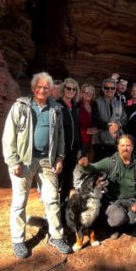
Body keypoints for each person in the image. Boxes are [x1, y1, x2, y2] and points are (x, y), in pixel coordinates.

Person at [2, 72, 72, 258]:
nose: (42, 90)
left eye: (46, 87)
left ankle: (56, 236)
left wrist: (60, 157)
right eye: (39, 87)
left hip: (47, 161)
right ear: (33, 88)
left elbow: (60, 137)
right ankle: (18, 240)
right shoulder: (20, 106)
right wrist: (13, 161)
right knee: (19, 202)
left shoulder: (55, 109)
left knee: (52, 200)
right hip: (24, 161)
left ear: (50, 90)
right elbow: (8, 136)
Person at [78, 134, 136, 238]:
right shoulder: (111, 162)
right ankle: (114, 227)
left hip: (132, 199)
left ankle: (131, 223)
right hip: (114, 201)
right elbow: (93, 168)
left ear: (132, 147)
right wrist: (85, 165)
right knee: (118, 217)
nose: (125, 148)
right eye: (122, 145)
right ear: (118, 147)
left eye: (128, 145)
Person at [57, 77, 82, 206]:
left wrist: (79, 149)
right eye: (68, 88)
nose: (71, 91)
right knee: (56, 179)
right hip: (60, 150)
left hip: (73, 149)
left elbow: (77, 130)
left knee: (68, 177)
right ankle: (52, 208)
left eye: (74, 89)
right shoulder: (57, 106)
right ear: (63, 89)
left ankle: (64, 204)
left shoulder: (74, 108)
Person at [92, 78, 126, 161]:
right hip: (100, 142)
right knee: (100, 169)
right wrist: (109, 127)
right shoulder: (96, 102)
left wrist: (117, 125)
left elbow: (124, 118)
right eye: (107, 88)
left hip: (116, 141)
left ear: (115, 89)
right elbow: (96, 119)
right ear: (103, 89)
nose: (110, 90)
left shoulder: (120, 103)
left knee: (114, 169)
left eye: (112, 88)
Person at [78, 84, 97, 159]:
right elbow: (74, 125)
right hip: (82, 140)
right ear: (82, 93)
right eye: (86, 92)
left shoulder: (95, 105)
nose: (88, 94)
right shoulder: (77, 106)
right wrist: (85, 131)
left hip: (95, 140)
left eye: (90, 92)